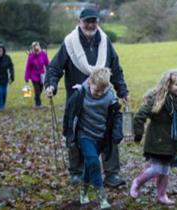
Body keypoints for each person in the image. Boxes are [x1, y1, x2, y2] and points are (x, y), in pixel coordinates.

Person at [44, 8, 129, 187]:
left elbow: (116, 68)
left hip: (104, 98)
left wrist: (122, 91)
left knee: (110, 132)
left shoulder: (105, 42)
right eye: (86, 21)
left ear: (97, 22)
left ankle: (112, 174)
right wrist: (51, 84)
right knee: (75, 134)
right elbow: (54, 67)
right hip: (78, 100)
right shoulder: (69, 43)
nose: (90, 25)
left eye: (93, 21)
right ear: (80, 22)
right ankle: (76, 172)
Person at [64, 68, 122, 209]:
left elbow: (117, 116)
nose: (100, 93)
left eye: (103, 90)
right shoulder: (80, 94)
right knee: (94, 161)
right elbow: (69, 114)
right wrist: (68, 133)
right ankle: (102, 197)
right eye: (97, 90)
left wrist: (117, 132)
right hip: (85, 135)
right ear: (90, 82)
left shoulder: (110, 97)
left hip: (101, 137)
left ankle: (83, 192)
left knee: (91, 165)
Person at [130, 69, 177, 205]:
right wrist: (138, 134)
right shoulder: (158, 100)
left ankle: (162, 196)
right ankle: (137, 182)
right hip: (156, 141)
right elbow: (139, 116)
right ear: (168, 85)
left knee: (165, 170)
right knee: (157, 168)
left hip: (171, 142)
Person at [24, 41, 49, 108]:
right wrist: (26, 77)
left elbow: (47, 64)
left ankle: (36, 98)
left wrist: (49, 72)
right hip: (34, 76)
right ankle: (38, 104)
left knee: (40, 89)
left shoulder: (43, 54)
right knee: (37, 90)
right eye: (34, 47)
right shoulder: (31, 56)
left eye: (37, 46)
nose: (36, 49)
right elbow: (28, 67)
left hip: (41, 75)